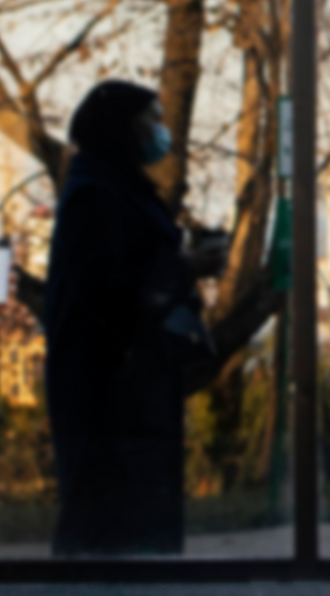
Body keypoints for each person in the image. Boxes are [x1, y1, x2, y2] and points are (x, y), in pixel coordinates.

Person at [45, 80, 226, 556]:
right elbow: (102, 290)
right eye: (153, 118)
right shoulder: (96, 192)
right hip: (111, 392)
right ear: (122, 127)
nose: (162, 131)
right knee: (110, 533)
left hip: (128, 387)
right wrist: (184, 266)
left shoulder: (113, 186)